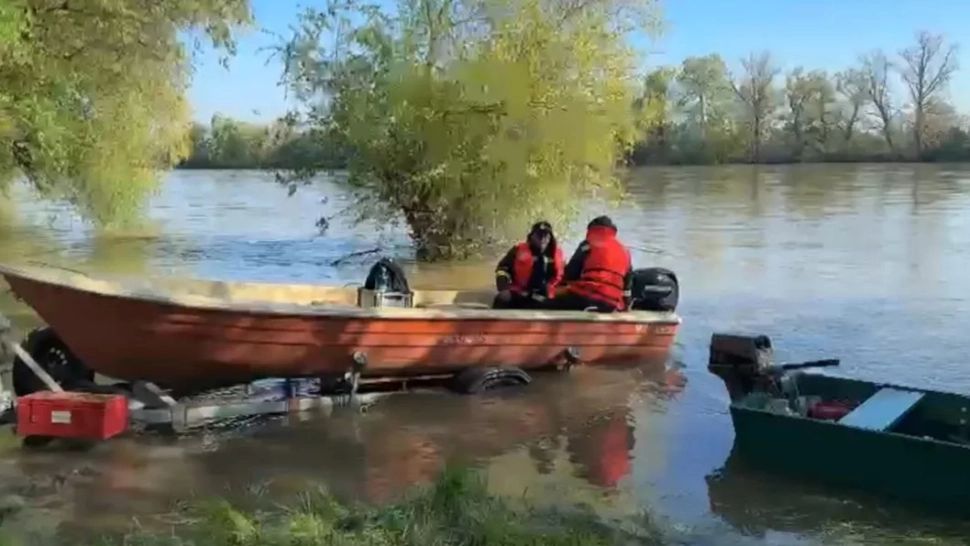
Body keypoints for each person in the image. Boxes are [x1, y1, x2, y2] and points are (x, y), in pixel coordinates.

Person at [544, 215, 632, 313]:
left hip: (587, 296)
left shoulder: (587, 244)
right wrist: (626, 305)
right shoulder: (625, 251)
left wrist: (559, 285)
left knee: (544, 302)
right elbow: (627, 287)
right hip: (612, 303)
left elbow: (571, 273)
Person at [493, 221, 564, 309]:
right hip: (521, 293)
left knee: (567, 303)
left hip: (547, 297)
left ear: (550, 238)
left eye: (546, 236)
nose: (542, 239)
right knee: (502, 298)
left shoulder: (557, 254)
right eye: (539, 235)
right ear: (532, 236)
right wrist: (504, 288)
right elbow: (502, 270)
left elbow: (564, 276)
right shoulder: (517, 250)